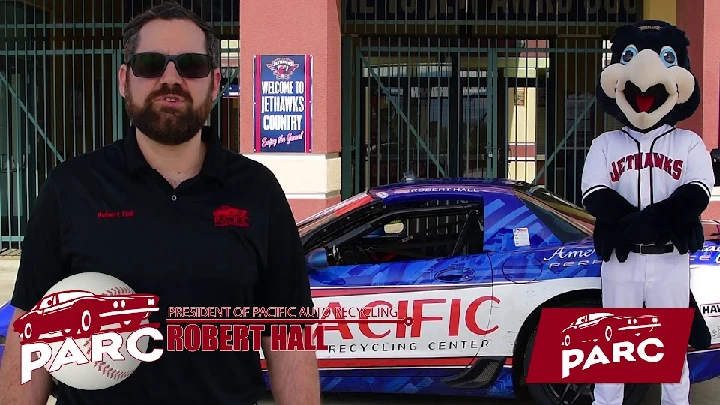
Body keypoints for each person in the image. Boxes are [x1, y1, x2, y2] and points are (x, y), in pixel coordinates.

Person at [0, 2, 321, 405]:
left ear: (216, 82)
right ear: (124, 80)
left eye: (191, 64)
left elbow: (287, 332)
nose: (171, 78)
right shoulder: (72, 188)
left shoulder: (258, 190)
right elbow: (31, 327)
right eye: (150, 64)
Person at [581, 20, 714, 405]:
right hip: (621, 260)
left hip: (670, 260)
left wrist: (646, 224)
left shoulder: (689, 143)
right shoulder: (604, 143)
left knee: (670, 351)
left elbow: (696, 192)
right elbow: (594, 193)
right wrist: (634, 227)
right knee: (612, 347)